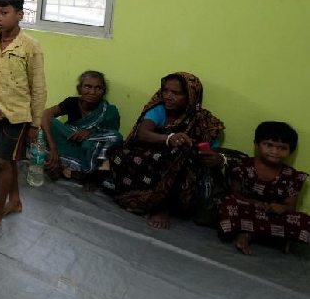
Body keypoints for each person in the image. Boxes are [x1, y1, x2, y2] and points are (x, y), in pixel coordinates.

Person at [107, 72, 225, 229]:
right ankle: (134, 196)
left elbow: (212, 150)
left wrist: (218, 158)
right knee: (116, 151)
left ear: (190, 96)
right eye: (165, 90)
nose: (168, 96)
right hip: (150, 158)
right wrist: (169, 139)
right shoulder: (158, 109)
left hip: (182, 169)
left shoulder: (204, 121)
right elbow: (143, 133)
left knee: (178, 155)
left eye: (176, 93)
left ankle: (162, 206)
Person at [0, 0, 46, 235]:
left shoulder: (30, 47)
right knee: (9, 162)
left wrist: (36, 124)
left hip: (18, 117)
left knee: (2, 162)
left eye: (3, 12)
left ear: (20, 14)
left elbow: (38, 88)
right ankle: (15, 201)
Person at [218, 121, 309, 255]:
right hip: (247, 209)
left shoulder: (292, 176)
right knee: (228, 203)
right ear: (256, 144)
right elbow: (235, 193)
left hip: (271, 214)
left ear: (291, 151)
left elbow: (290, 206)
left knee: (303, 220)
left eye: (282, 148)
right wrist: (254, 203)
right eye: (269, 145)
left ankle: (252, 233)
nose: (275, 151)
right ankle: (249, 233)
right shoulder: (243, 166)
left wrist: (280, 208)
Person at [42, 70, 123, 180]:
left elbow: (111, 139)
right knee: (47, 124)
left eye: (98, 88)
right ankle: (68, 167)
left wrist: (90, 134)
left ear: (103, 92)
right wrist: (53, 148)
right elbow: (45, 115)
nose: (92, 92)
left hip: (89, 151)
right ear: (79, 89)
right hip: (69, 141)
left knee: (116, 136)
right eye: (87, 87)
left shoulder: (109, 111)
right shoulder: (72, 102)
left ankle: (80, 171)